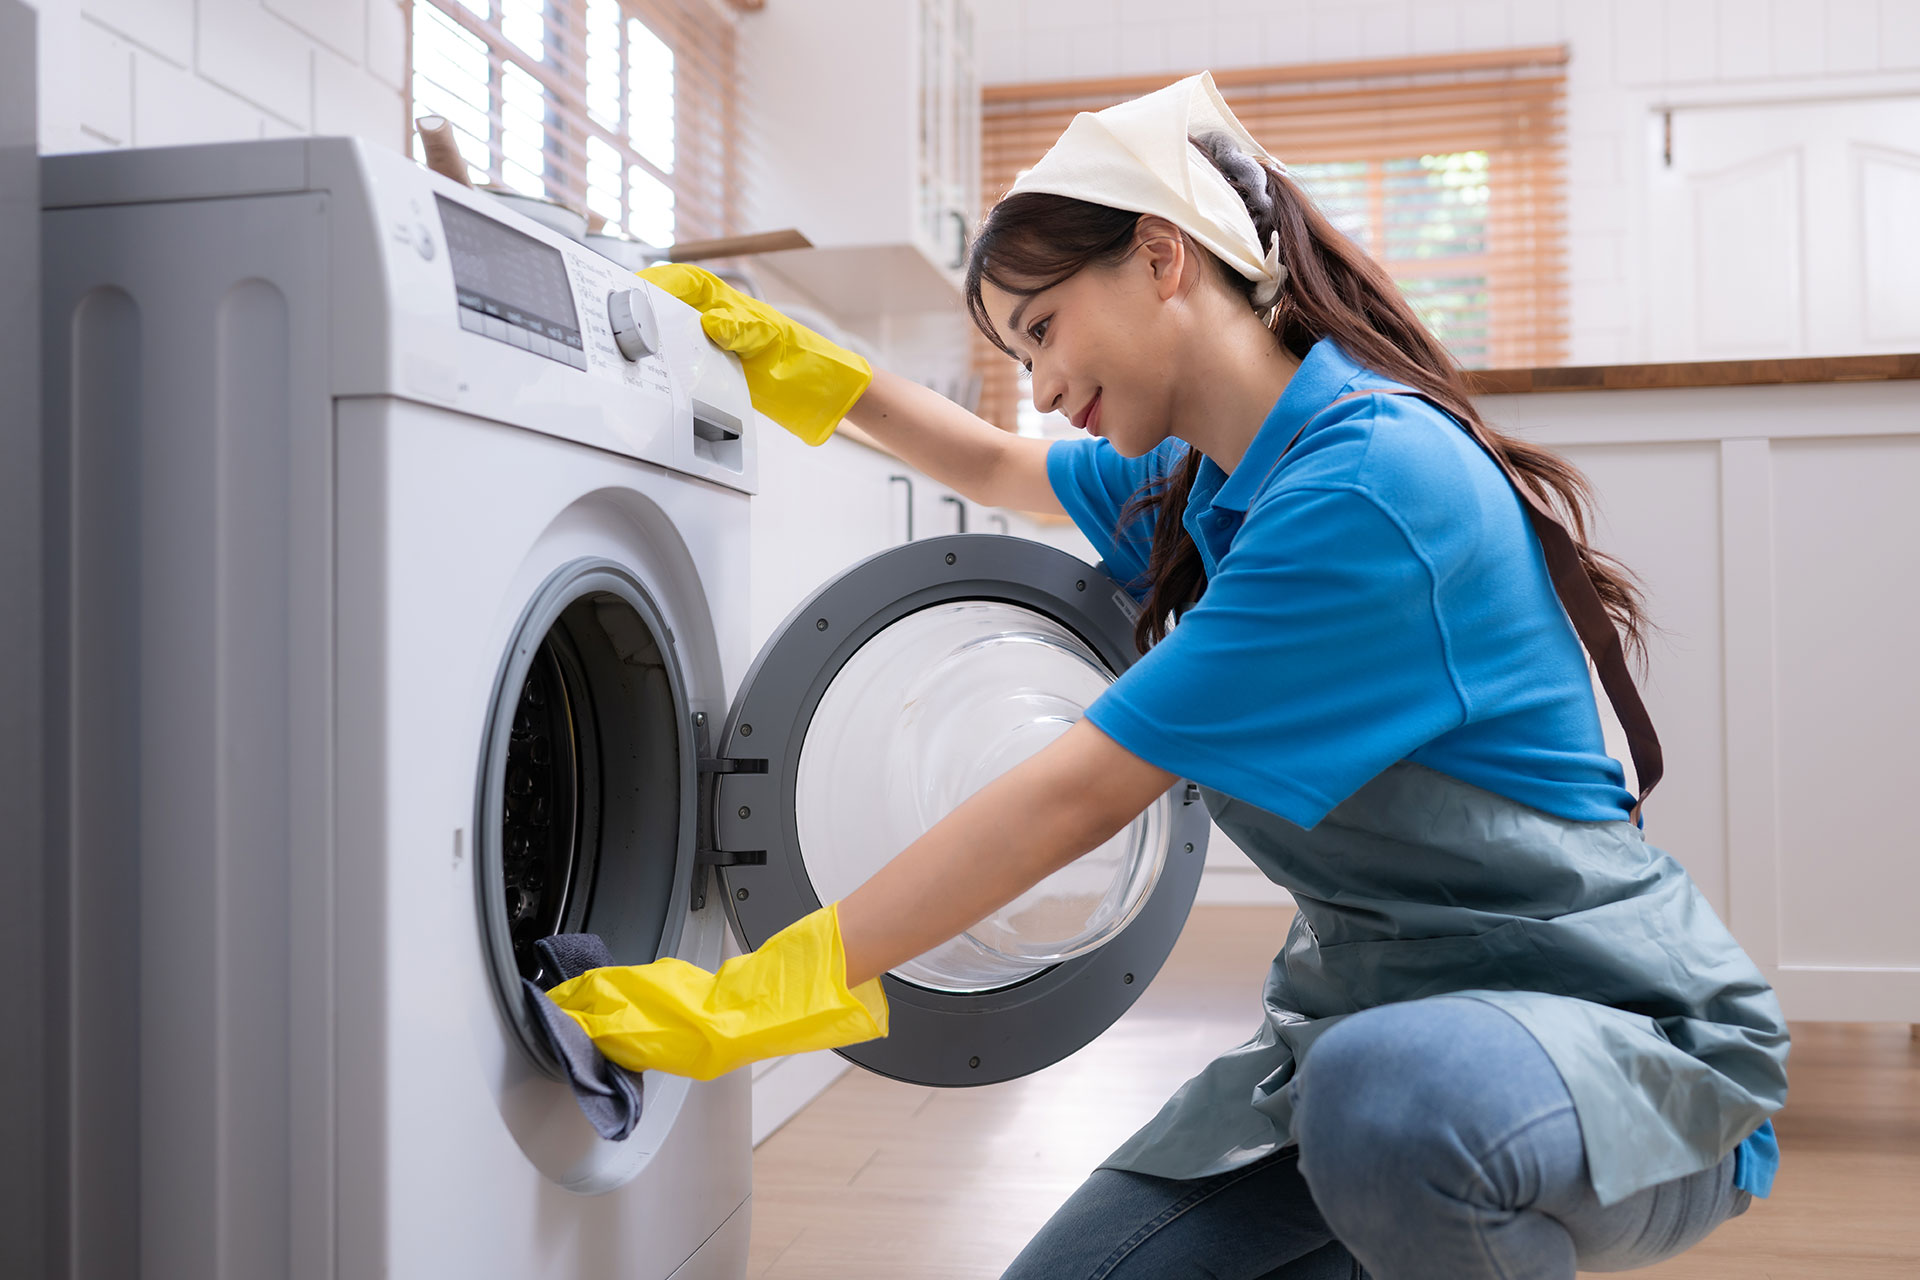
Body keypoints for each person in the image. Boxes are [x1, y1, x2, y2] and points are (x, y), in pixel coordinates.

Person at [545, 74, 1788, 1280]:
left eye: (1041, 330)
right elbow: (997, 466)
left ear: (1160, 254)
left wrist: (774, 986)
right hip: (1359, 1035)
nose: (1035, 385)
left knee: (1392, 1110)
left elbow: (1074, 794)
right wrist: (789, 360)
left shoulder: (1364, 487)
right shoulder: (1209, 481)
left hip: (1610, 1046)